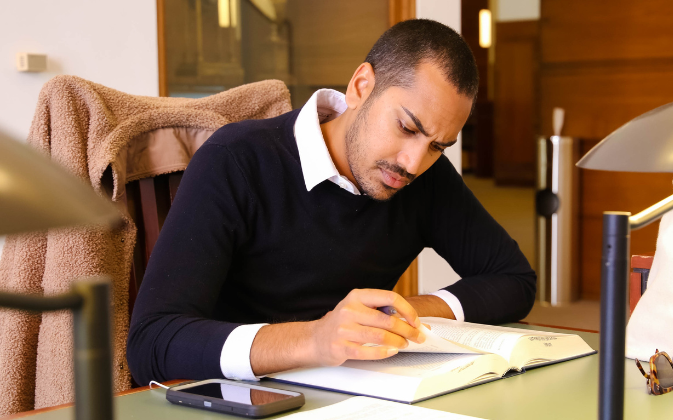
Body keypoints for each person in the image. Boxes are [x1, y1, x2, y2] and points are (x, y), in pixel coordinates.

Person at [127, 19, 536, 385]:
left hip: (362, 395)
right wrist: (317, 338)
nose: (413, 163)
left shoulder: (422, 179)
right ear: (361, 86)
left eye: (438, 147)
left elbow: (515, 280)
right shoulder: (235, 160)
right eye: (407, 127)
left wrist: (404, 312)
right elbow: (152, 343)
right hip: (244, 400)